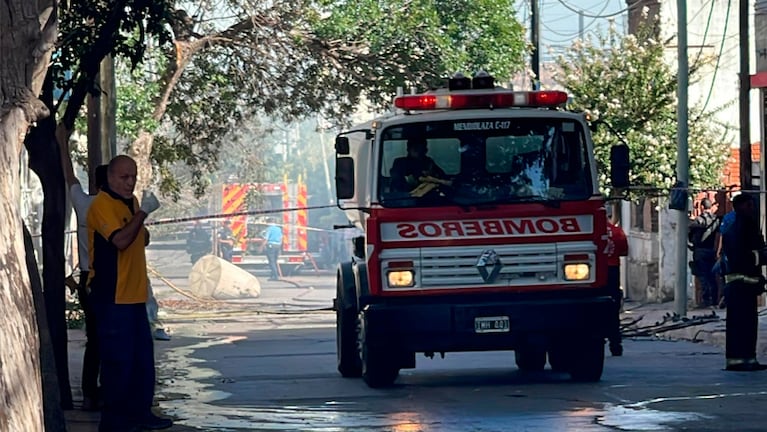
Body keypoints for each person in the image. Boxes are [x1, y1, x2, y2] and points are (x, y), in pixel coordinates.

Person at [86, 155, 173, 431]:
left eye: (133, 177)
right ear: (110, 177)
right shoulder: (101, 205)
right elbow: (121, 241)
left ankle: (140, 414)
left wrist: (139, 217)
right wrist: (143, 214)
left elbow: (140, 237)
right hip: (113, 296)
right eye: (124, 177)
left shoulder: (131, 203)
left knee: (142, 362)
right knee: (118, 363)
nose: (130, 182)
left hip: (135, 295)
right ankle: (114, 422)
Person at [59, 130, 108, 411]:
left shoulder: (84, 203)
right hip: (103, 280)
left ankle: (91, 393)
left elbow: (70, 178)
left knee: (95, 339)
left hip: (88, 279)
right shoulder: (103, 207)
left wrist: (62, 145)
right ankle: (100, 392)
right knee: (107, 338)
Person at [719, 193, 767, 372]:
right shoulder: (744, 225)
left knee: (738, 325)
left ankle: (741, 359)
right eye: (749, 205)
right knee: (745, 325)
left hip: (737, 285)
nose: (752, 208)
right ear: (740, 206)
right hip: (743, 284)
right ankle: (744, 360)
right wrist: (761, 256)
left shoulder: (732, 225)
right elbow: (745, 255)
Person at [688, 198, 720, 308]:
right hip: (711, 250)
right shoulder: (716, 220)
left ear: (702, 207)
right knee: (712, 276)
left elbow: (689, 232)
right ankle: (714, 300)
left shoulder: (698, 220)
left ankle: (705, 301)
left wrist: (691, 221)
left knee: (703, 276)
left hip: (700, 251)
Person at [605, 209, 629, 357]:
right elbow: (624, 252)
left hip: (592, 275)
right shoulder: (617, 232)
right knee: (613, 311)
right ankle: (615, 345)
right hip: (612, 272)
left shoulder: (589, 231)